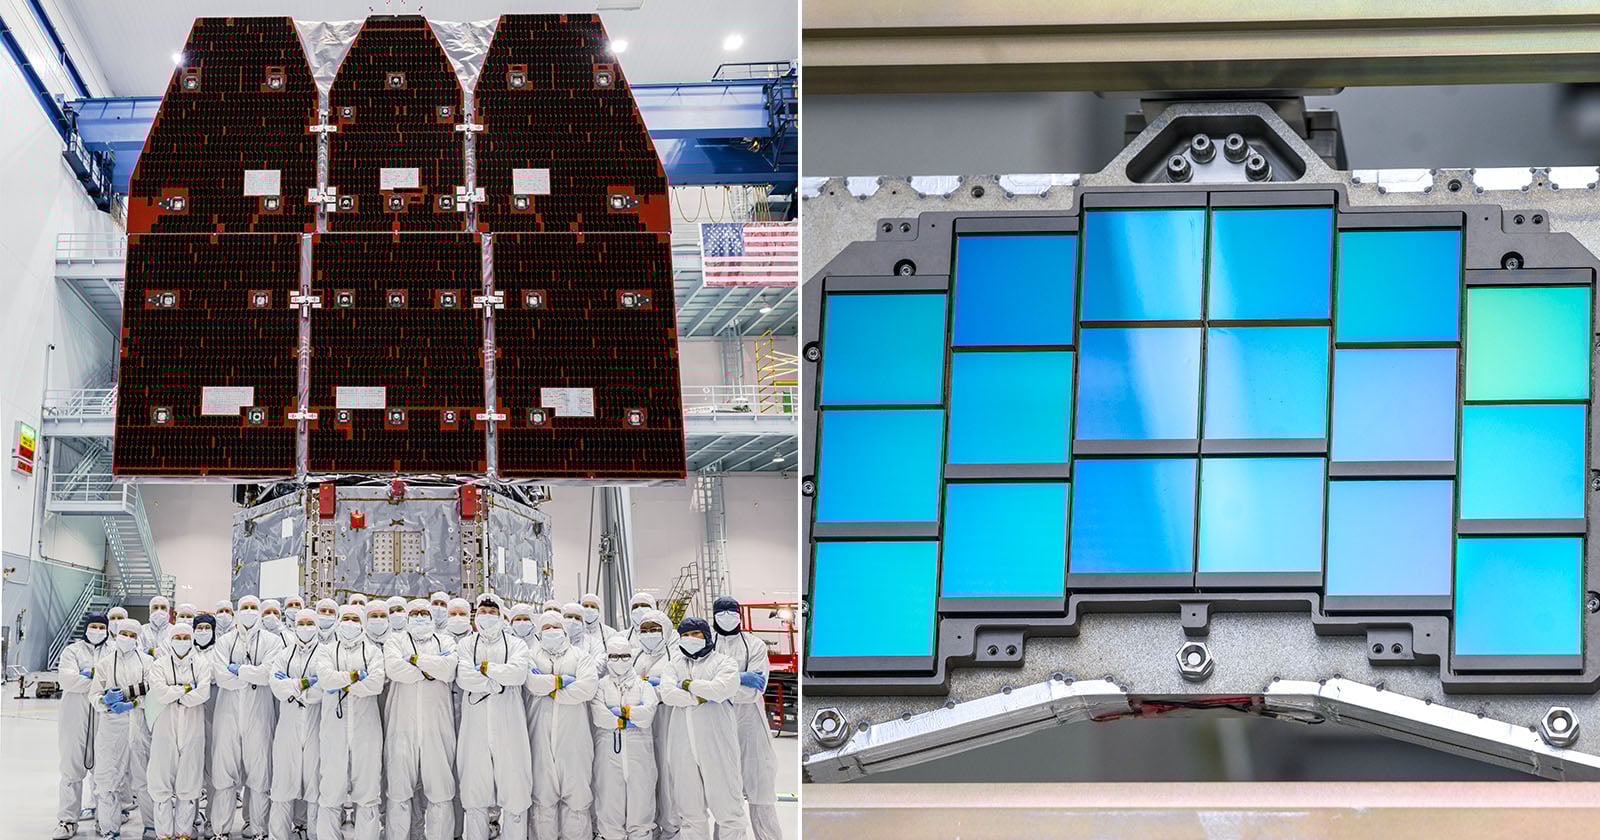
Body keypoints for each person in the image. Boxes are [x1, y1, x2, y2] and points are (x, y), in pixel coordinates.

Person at [657, 618, 744, 840]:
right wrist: (702, 696)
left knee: (728, 810)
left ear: (706, 635)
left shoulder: (725, 663)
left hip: (717, 744)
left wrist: (687, 686)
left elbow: (722, 689)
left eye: (695, 634)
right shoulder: (673, 664)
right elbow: (667, 694)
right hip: (682, 745)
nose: (690, 639)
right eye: (685, 635)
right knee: (689, 812)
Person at [454, 594, 531, 840]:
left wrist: (486, 669)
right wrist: (498, 682)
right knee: (474, 794)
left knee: (515, 792)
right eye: (483, 611)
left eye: (492, 611)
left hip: (509, 727)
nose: (487, 616)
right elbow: (464, 677)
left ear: (501, 615)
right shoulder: (466, 644)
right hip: (475, 727)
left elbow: (518, 675)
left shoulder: (516, 644)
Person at [211, 594, 283, 840]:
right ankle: (220, 830)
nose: (249, 611)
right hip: (227, 715)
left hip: (260, 715)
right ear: (237, 611)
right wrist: (253, 674)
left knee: (261, 775)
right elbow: (221, 677)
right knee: (223, 775)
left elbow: (268, 675)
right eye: (245, 607)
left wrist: (239, 670)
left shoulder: (272, 641)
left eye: (254, 608)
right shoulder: (224, 641)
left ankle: (258, 830)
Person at [384, 599, 458, 840]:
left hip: (437, 727)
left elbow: (448, 670)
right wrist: (431, 668)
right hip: (401, 727)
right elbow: (394, 669)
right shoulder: (395, 640)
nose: (419, 617)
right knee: (398, 792)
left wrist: (413, 660)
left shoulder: (445, 640)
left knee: (440, 792)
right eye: (414, 613)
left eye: (423, 613)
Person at [314, 605, 387, 840]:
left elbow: (376, 683)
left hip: (366, 729)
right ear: (338, 620)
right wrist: (356, 677)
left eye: (355, 619)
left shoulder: (373, 652)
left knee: (367, 792)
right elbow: (325, 679)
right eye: (346, 618)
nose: (350, 623)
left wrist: (341, 681)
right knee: (330, 791)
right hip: (333, 729)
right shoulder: (326, 650)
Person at [526, 610, 599, 839]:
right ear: (539, 632)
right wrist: (562, 683)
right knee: (542, 799)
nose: (551, 631)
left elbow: (587, 688)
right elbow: (530, 683)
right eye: (546, 628)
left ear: (564, 630)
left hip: (575, 737)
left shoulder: (580, 656)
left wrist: (551, 691)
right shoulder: (530, 656)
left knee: (577, 798)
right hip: (539, 735)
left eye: (555, 627)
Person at [711, 597, 779, 840]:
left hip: (752, 725)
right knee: (726, 797)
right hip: (717, 724)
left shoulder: (755, 645)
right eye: (722, 612)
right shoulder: (708, 646)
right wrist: (740, 678)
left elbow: (753, 692)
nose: (727, 616)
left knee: (761, 792)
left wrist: (719, 686)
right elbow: (706, 685)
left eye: (732, 611)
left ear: (739, 614)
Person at [147, 622, 212, 840]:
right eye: (178, 637)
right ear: (170, 639)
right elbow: (159, 693)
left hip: (193, 729)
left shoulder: (202, 664)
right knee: (161, 781)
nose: (182, 641)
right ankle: (164, 834)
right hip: (165, 728)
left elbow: (203, 693)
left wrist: (173, 691)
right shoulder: (159, 665)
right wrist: (186, 689)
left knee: (190, 781)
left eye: (186, 637)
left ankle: (184, 833)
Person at [92, 619, 156, 840]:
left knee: (145, 781)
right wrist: (104, 700)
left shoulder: (148, 663)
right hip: (112, 728)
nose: (127, 638)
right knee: (108, 781)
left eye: (132, 634)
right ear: (117, 634)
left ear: (138, 637)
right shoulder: (105, 664)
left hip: (140, 726)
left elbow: (155, 694)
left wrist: (134, 703)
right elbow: (94, 696)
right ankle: (110, 828)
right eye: (124, 633)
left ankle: (151, 827)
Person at [591, 634, 658, 840]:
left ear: (631, 657)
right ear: (607, 658)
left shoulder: (643, 686)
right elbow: (599, 715)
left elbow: (647, 714)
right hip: (608, 750)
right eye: (614, 656)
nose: (619, 661)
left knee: (642, 797)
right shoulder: (600, 685)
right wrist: (628, 717)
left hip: (640, 752)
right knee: (609, 798)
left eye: (624, 656)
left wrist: (619, 711)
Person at [267, 611, 323, 840]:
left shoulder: (325, 654)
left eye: (310, 623)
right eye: (301, 623)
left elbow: (323, 688)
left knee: (315, 785)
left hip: (316, 724)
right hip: (288, 725)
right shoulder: (283, 654)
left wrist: (292, 686)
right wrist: (305, 684)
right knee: (282, 784)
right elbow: (275, 686)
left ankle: (315, 834)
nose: (305, 627)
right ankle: (278, 835)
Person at [54, 613, 110, 840]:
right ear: (86, 628)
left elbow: (116, 679)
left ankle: (102, 819)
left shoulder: (113, 651)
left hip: (103, 716)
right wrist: (97, 680)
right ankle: (67, 820)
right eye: (93, 626)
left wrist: (86, 676)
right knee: (71, 769)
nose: (97, 630)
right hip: (74, 716)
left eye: (101, 626)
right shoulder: (72, 651)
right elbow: (67, 681)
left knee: (104, 771)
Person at [630, 610, 679, 840]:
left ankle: (671, 829)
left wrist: (653, 688)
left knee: (668, 775)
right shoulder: (635, 656)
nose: (649, 634)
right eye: (645, 630)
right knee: (645, 776)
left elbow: (676, 687)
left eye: (655, 629)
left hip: (667, 720)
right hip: (641, 724)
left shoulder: (675, 654)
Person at [190, 614, 219, 838]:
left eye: (206, 628)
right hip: (188, 718)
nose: (202, 631)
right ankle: (189, 819)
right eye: (198, 627)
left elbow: (217, 675)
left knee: (213, 773)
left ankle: (212, 820)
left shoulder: (219, 651)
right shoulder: (185, 652)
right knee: (190, 773)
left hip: (214, 716)